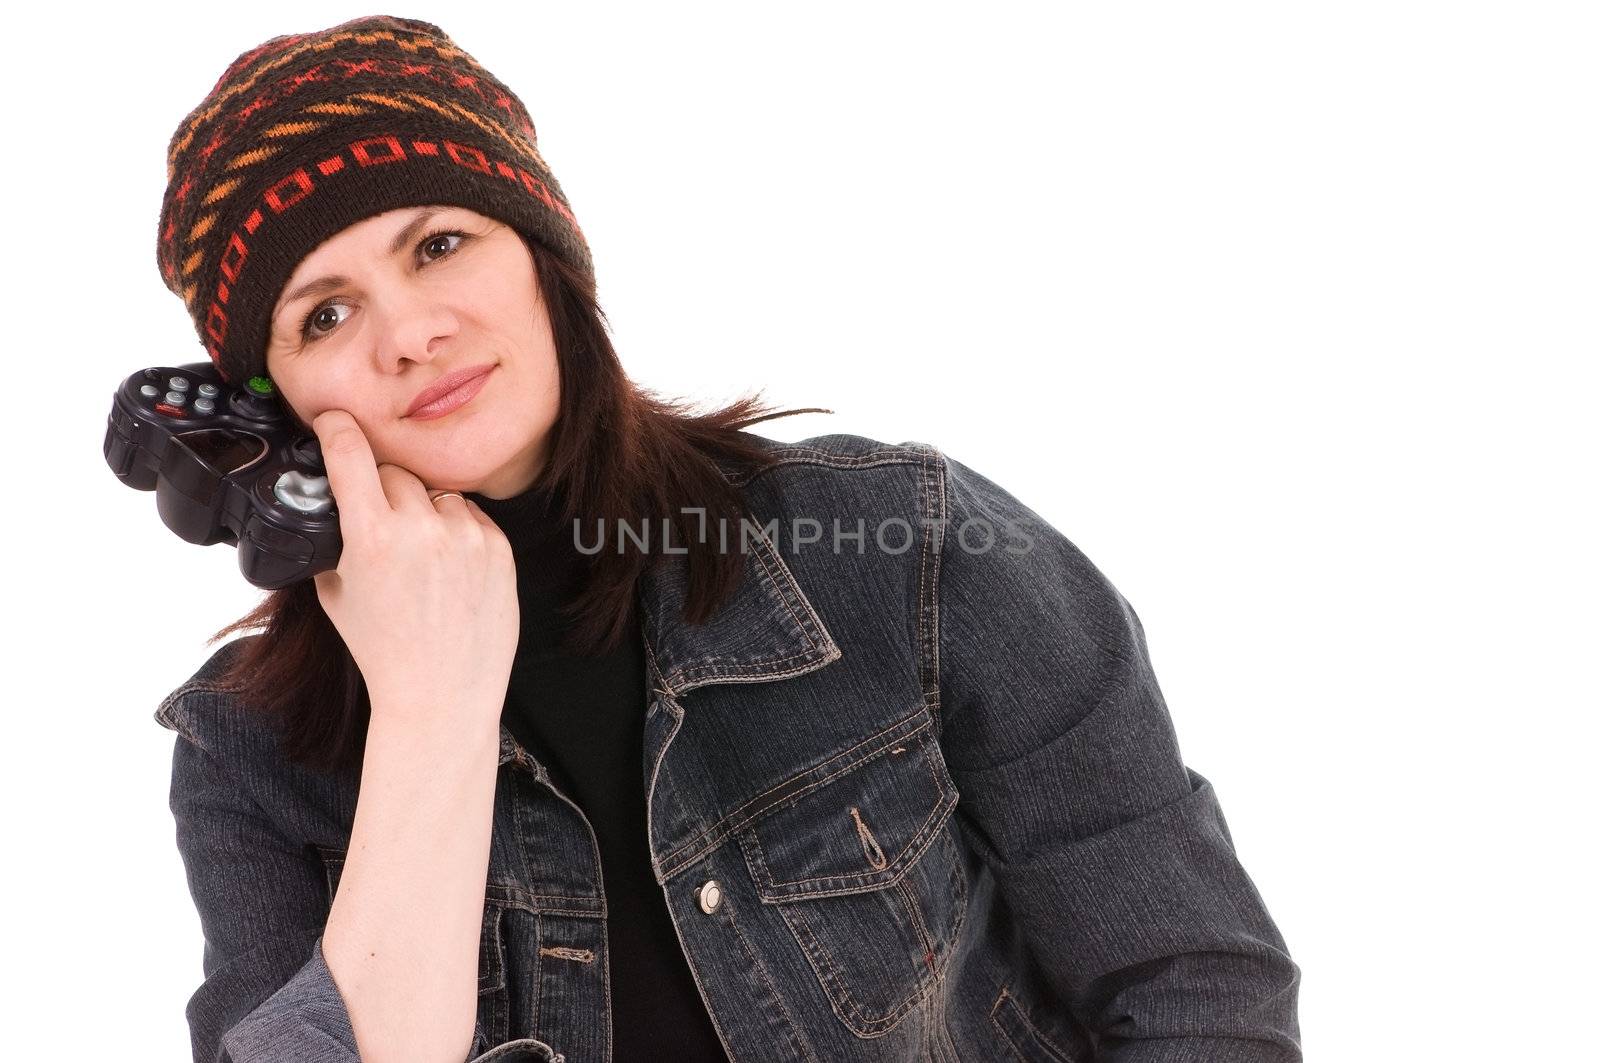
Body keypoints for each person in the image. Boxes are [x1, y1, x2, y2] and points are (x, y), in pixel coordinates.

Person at [152, 15, 1302, 1063]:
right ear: (269, 408)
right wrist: (428, 715)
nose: (409, 332)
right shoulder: (247, 750)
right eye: (325, 313)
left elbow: (1194, 984)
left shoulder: (901, 550)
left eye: (439, 244)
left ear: (544, 255)